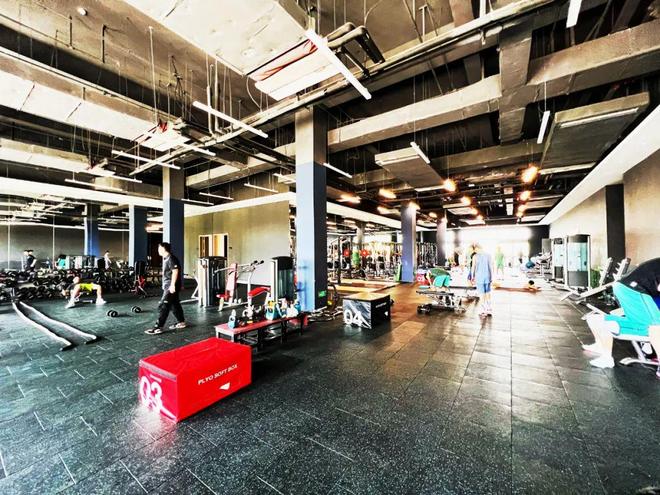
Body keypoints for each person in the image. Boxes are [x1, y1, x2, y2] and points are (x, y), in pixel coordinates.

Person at [582, 258, 660, 376]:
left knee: (640, 323)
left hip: (622, 286)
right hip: (635, 289)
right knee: (655, 326)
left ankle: (601, 346)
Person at [146, 242, 186, 335]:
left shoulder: (171, 258)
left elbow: (175, 271)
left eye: (159, 248)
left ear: (163, 249)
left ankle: (158, 327)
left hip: (170, 286)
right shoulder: (166, 258)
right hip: (169, 285)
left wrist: (172, 285)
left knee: (163, 305)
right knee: (174, 304)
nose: (158, 250)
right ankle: (181, 322)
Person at [471, 244, 493, 317]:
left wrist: (472, 277)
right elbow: (490, 266)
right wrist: (491, 277)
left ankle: (483, 310)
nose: (475, 251)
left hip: (479, 277)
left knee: (482, 293)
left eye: (475, 249)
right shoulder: (489, 255)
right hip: (488, 276)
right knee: (487, 292)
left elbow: (473, 267)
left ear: (477, 248)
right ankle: (489, 309)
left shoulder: (475, 256)